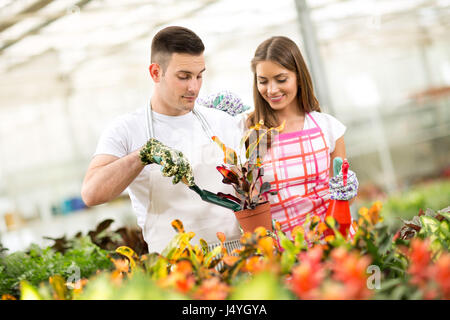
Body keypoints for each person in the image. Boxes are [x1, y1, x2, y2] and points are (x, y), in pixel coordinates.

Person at [81, 26, 242, 254]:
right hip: (175, 268)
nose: (193, 87)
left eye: (199, 76)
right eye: (183, 77)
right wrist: (142, 155)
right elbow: (92, 193)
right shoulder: (126, 129)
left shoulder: (221, 122)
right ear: (156, 73)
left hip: (236, 257)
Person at [242, 36, 359, 240]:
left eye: (281, 79)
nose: (271, 90)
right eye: (263, 81)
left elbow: (343, 199)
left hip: (332, 240)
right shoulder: (252, 133)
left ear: (299, 76)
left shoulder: (328, 127)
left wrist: (348, 190)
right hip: (283, 251)